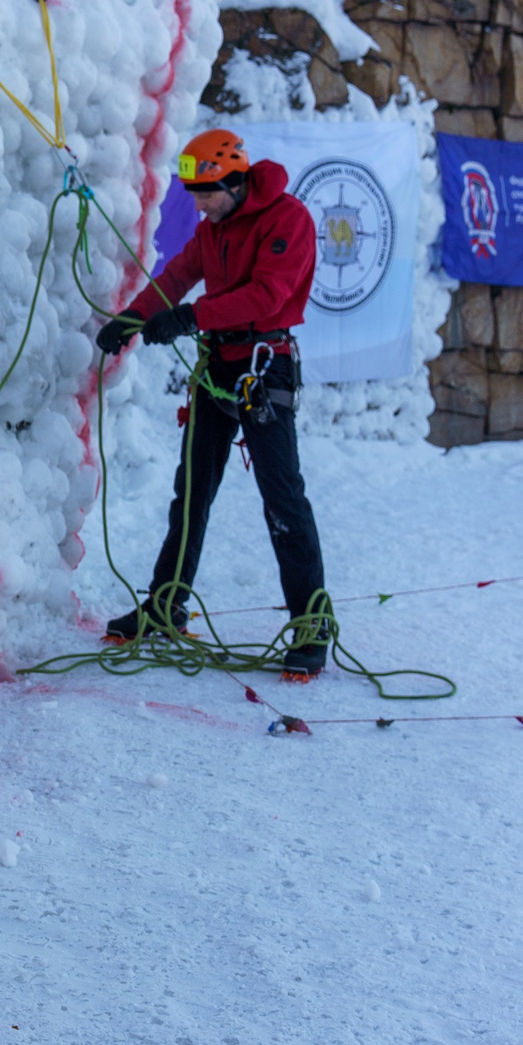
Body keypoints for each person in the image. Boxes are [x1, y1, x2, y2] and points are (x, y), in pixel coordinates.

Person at [93, 127, 333, 681]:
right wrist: (131, 320)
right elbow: (178, 274)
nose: (198, 205)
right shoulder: (215, 226)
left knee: (282, 497)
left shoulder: (287, 220)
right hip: (217, 368)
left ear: (234, 181)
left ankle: (311, 622)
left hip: (263, 368)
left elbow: (268, 296)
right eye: (193, 194)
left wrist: (193, 316)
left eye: (205, 193)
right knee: (192, 491)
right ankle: (166, 602)